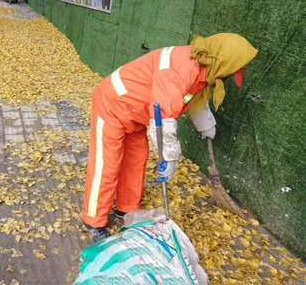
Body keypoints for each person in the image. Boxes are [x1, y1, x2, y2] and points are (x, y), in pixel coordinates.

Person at [82, 33, 258, 241]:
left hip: (137, 113)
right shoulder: (178, 70)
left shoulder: (204, 67)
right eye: (230, 72)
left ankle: (126, 209)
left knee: (136, 161)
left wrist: (205, 125)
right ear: (224, 61)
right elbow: (163, 119)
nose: (226, 78)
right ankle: (94, 220)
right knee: (106, 164)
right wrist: (170, 157)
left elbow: (192, 99)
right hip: (112, 105)